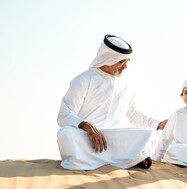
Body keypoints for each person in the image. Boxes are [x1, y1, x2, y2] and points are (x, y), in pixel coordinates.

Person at [57, 34, 166, 170]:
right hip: (87, 139)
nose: (125, 66)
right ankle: (126, 160)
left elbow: (133, 115)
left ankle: (114, 159)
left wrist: (158, 124)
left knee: (147, 133)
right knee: (66, 134)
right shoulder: (84, 79)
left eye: (127, 61)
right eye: (121, 62)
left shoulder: (125, 86)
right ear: (108, 59)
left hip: (115, 139)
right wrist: (86, 126)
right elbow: (64, 115)